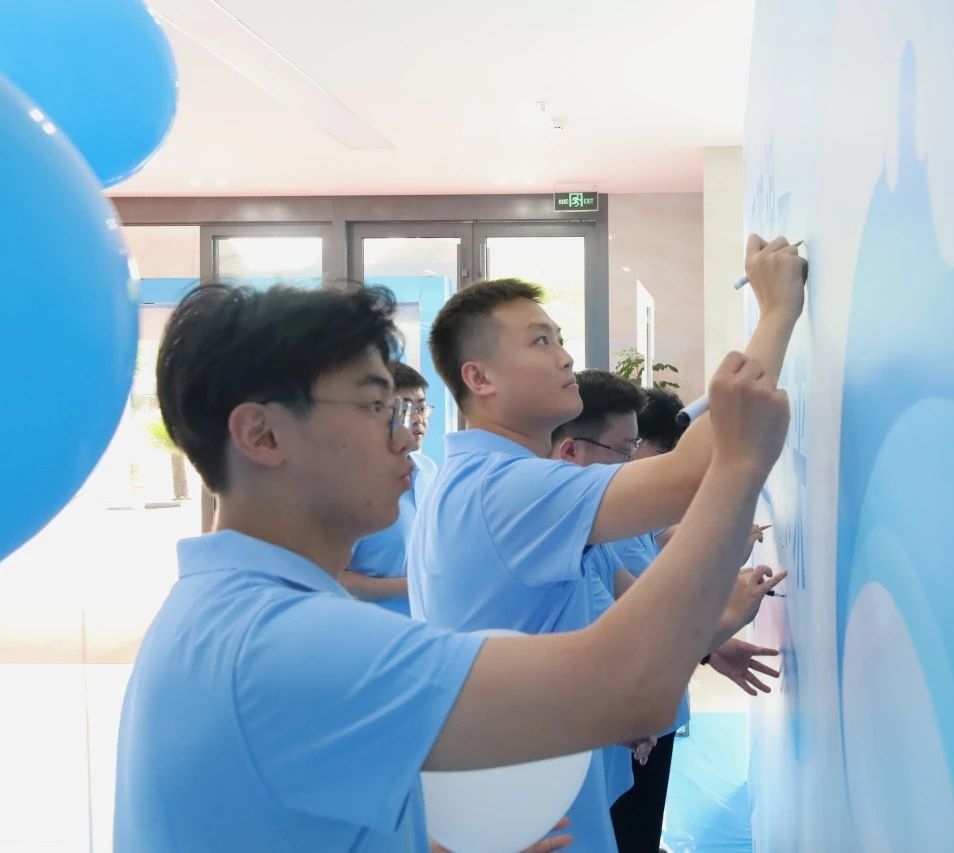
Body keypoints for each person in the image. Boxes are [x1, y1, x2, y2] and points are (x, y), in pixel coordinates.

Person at [113, 282, 791, 852]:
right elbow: (630, 688)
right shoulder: (284, 642)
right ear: (262, 434)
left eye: (401, 409)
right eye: (376, 407)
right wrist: (738, 463)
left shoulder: (224, 610)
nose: (403, 436)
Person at [410, 234, 806, 851]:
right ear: (478, 377)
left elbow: (624, 610)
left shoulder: (493, 481)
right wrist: (776, 312)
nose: (565, 357)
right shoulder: (504, 489)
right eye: (541, 342)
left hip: (539, 788)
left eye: (559, 338)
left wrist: (704, 638)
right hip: (529, 808)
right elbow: (695, 471)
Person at [549, 370, 787, 839]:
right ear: (570, 450)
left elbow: (644, 608)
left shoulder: (593, 534)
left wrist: (713, 642)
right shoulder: (555, 530)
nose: (634, 465)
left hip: (628, 727)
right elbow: (637, 641)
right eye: (625, 450)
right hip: (589, 747)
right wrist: (722, 614)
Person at [340, 360, 436, 614]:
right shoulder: (353, 485)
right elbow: (332, 578)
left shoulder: (429, 470)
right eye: (406, 408)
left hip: (427, 623)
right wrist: (411, 587)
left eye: (422, 408)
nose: (418, 420)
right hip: (372, 628)